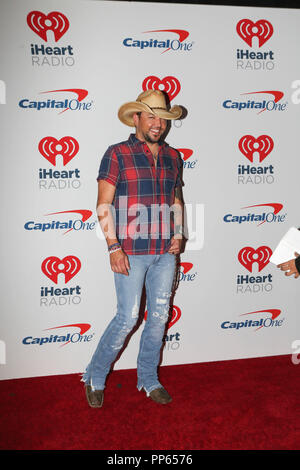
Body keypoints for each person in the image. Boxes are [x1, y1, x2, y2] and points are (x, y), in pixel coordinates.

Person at [82, 89, 184, 407]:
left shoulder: (173, 157)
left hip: (165, 253)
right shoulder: (117, 154)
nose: (158, 124)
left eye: (163, 118)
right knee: (127, 318)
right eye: (151, 116)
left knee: (159, 316)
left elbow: (175, 199)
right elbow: (103, 204)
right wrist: (113, 247)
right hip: (130, 252)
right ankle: (95, 376)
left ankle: (148, 379)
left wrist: (179, 232)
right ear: (136, 118)